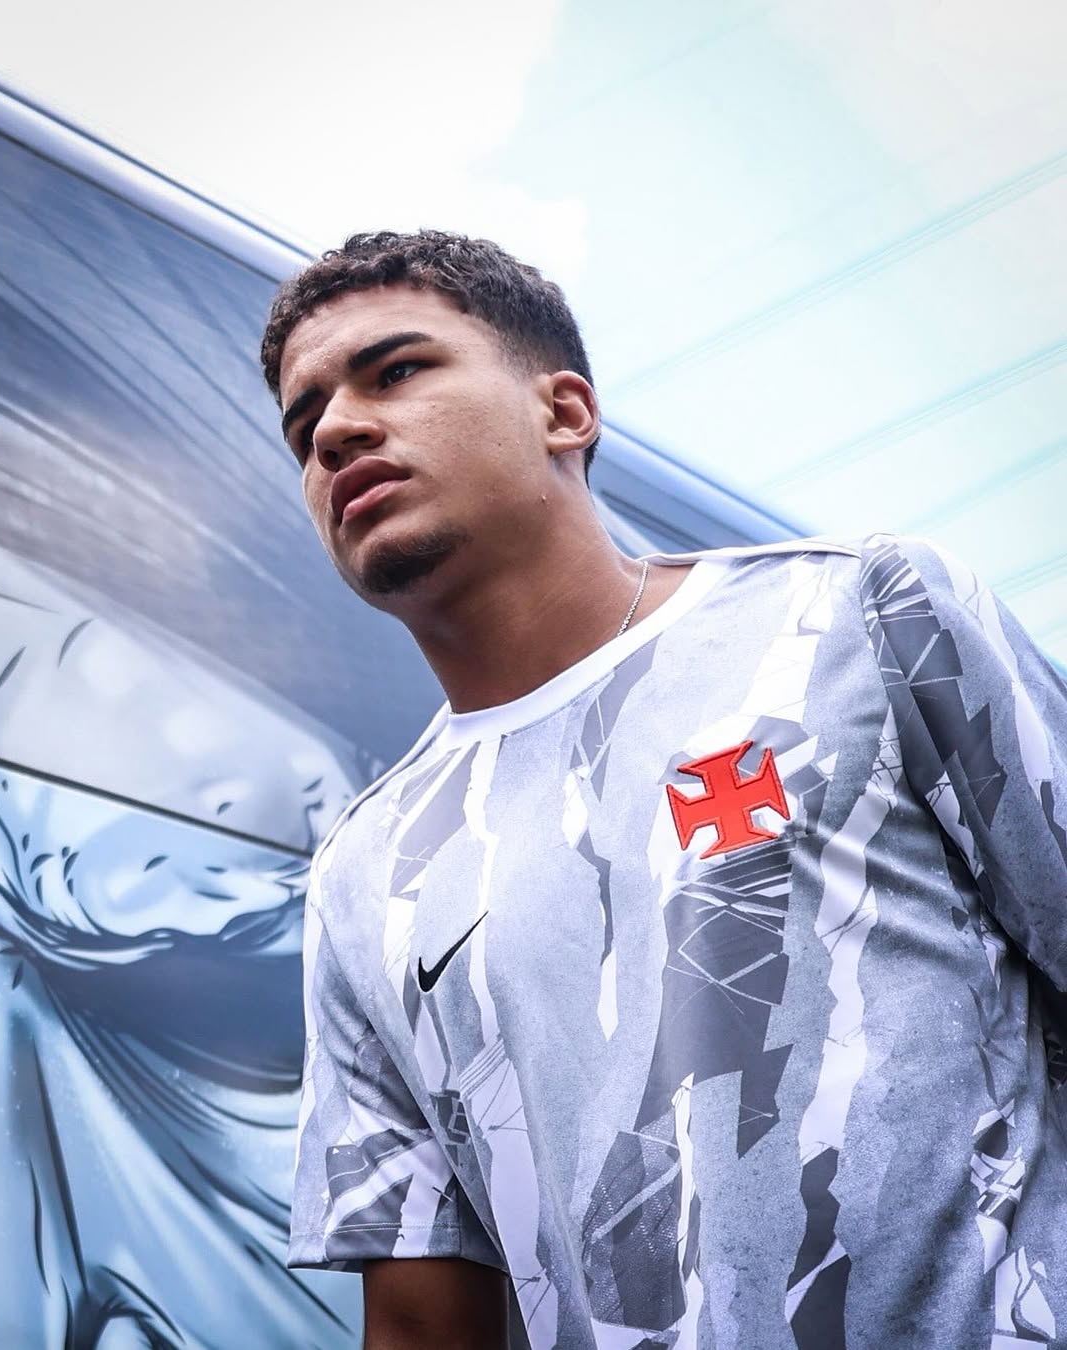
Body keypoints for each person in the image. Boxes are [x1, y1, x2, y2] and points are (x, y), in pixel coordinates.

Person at [259, 230, 1067, 1350]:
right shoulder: (363, 875)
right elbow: (420, 1320)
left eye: (395, 371)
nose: (336, 430)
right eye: (304, 425)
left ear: (565, 412)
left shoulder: (859, 614)